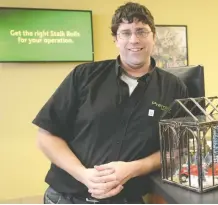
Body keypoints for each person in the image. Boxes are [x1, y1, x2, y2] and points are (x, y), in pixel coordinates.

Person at [32, 2, 188, 204]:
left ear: (153, 36)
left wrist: (134, 168)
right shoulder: (84, 75)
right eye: (125, 33)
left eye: (141, 31)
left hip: (126, 199)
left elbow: (177, 149)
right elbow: (46, 137)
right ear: (116, 39)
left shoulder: (174, 88)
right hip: (66, 197)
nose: (134, 39)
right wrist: (83, 175)